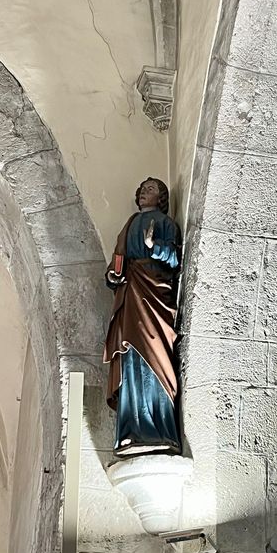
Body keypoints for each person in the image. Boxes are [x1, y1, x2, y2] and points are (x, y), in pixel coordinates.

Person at [103, 177, 181, 457]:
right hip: (131, 292)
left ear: (161, 198)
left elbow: (174, 259)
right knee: (130, 357)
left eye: (151, 189)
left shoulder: (166, 223)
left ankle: (160, 429)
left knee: (156, 355)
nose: (143, 193)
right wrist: (114, 275)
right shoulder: (130, 224)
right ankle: (132, 430)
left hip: (154, 294)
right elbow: (118, 261)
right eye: (142, 189)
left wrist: (154, 246)